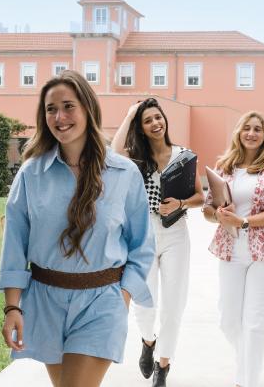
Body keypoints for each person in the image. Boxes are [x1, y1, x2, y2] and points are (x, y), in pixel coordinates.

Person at [0, 70, 155, 387]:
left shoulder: (124, 173)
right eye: (50, 109)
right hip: (45, 302)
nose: (59, 116)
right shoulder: (31, 173)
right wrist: (12, 306)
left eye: (68, 106)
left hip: (102, 302)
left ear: (87, 107)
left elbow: (142, 245)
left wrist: (122, 296)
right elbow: (14, 244)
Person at [111, 98, 204, 386]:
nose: (155, 123)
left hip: (176, 232)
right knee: (145, 300)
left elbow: (201, 197)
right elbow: (114, 151)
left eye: (158, 117)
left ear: (165, 119)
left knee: (174, 304)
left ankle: (163, 365)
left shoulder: (184, 156)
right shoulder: (137, 160)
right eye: (147, 120)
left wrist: (181, 202)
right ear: (141, 127)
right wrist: (129, 114)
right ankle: (148, 341)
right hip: (145, 233)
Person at [202, 111, 264, 387]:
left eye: (258, 130)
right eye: (247, 128)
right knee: (228, 319)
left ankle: (246, 381)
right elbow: (207, 208)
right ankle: (246, 367)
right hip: (230, 249)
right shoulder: (224, 166)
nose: (251, 133)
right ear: (239, 133)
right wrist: (219, 216)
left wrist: (243, 221)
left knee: (255, 322)